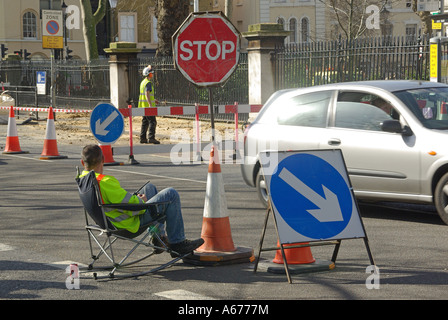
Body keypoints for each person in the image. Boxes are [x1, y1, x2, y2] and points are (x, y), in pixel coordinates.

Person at [79, 144, 204, 256]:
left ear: (82, 162)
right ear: (103, 160)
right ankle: (178, 243)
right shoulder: (104, 181)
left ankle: (158, 238)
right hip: (128, 225)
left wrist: (137, 198)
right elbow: (130, 205)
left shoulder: (84, 179)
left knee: (148, 188)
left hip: (110, 221)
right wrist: (142, 202)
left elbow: (119, 200)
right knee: (171, 194)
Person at [138, 65, 160, 144]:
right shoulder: (148, 83)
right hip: (148, 107)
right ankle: (151, 138)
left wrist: (153, 100)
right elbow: (147, 94)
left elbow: (145, 94)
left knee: (145, 122)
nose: (152, 74)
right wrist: (150, 104)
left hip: (143, 106)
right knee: (152, 121)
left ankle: (142, 138)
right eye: (151, 73)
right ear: (149, 74)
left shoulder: (143, 82)